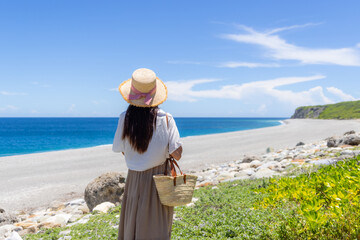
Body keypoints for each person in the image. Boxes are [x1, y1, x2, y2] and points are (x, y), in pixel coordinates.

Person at [112, 68, 183, 240]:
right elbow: (177, 154)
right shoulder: (166, 118)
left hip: (134, 179)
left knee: (133, 224)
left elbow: (121, 149)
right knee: (156, 225)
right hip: (159, 179)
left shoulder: (124, 117)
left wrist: (139, 158)